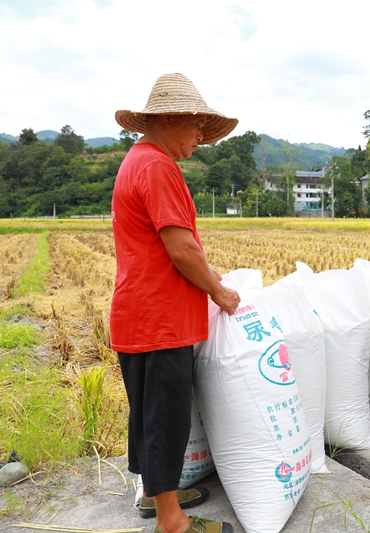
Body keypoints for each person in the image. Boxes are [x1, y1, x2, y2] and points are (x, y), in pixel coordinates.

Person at [111, 73, 241, 533]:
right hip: (159, 320)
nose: (200, 136)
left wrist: (208, 276)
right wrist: (219, 291)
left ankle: (155, 493)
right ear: (168, 119)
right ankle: (173, 522)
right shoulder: (158, 167)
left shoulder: (139, 160)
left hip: (141, 316)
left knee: (150, 412)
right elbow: (182, 249)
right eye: (195, 126)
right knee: (165, 417)